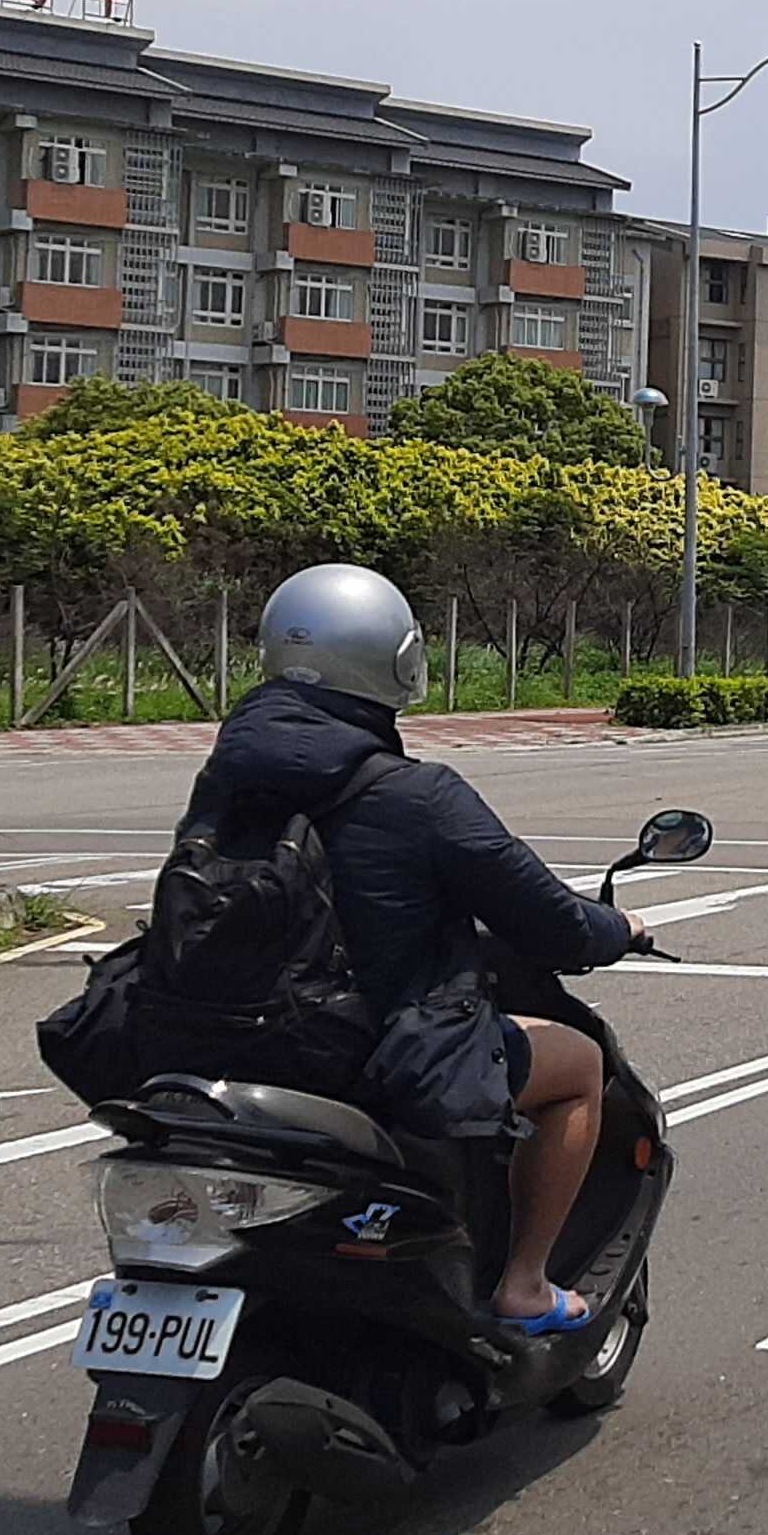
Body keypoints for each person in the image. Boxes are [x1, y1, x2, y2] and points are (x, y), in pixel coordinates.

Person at [178, 563, 637, 1333]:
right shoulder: (417, 794)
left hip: (231, 1042)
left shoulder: (226, 777)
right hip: (369, 1049)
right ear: (398, 661)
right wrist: (618, 929)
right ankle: (524, 1283)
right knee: (579, 1067)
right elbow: (548, 918)